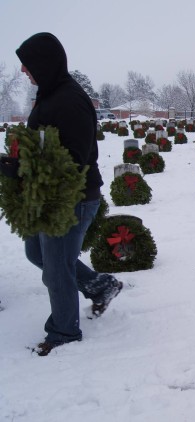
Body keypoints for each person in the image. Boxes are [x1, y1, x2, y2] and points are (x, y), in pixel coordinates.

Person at [15, 33, 123, 356]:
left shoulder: (70, 102)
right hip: (49, 195)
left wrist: (34, 168)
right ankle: (101, 287)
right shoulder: (49, 95)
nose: (23, 70)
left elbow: (73, 160)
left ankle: (63, 330)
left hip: (72, 197)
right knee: (38, 253)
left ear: (44, 64)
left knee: (56, 265)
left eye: (28, 64)